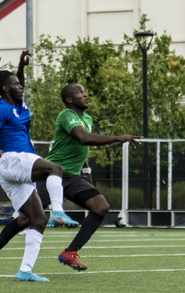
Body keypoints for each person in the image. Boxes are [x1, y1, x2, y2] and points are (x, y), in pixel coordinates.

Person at [0, 51, 67, 283]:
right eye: (16, 85)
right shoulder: (2, 108)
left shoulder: (18, 105)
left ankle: (0, 260)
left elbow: (18, 85)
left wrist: (20, 67)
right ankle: (58, 211)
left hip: (19, 165)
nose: (21, 87)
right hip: (13, 160)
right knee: (55, 169)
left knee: (34, 220)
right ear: (6, 89)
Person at [46, 83, 138, 271]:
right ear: (69, 100)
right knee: (28, 218)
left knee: (101, 206)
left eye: (85, 91)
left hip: (72, 177)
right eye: (80, 92)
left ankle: (70, 252)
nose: (85, 95)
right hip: (51, 173)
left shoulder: (86, 118)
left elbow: (81, 149)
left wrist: (86, 173)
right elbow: (83, 138)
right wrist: (117, 138)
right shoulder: (66, 115)